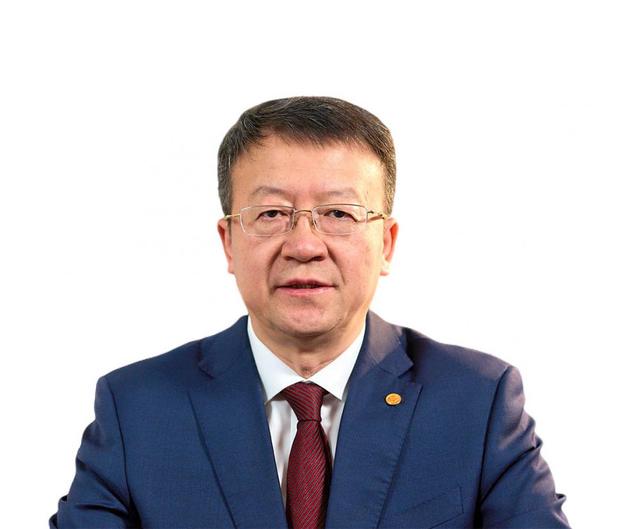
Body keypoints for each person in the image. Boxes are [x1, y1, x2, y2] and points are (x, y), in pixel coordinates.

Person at [50, 96, 570, 529]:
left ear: (386, 243)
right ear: (229, 242)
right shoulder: (138, 408)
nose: (304, 245)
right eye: (272, 213)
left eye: (339, 213)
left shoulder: (476, 401)